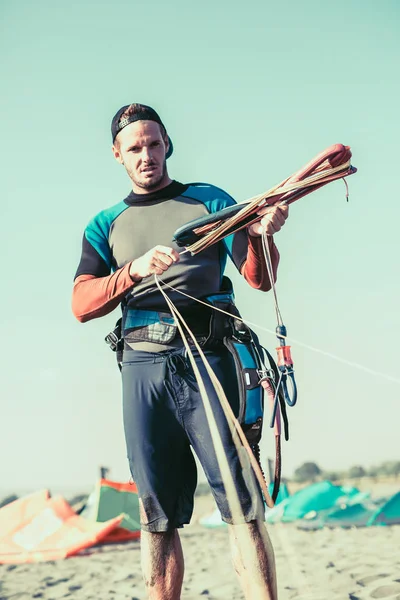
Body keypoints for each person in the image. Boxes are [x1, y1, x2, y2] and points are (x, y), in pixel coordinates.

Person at [72, 103, 288, 600]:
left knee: (242, 504)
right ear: (117, 155)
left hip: (210, 360)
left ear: (167, 143)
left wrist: (261, 236)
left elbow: (260, 278)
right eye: (134, 148)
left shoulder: (210, 200)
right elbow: (81, 304)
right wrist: (134, 271)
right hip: (143, 367)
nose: (146, 155)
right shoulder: (107, 223)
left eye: (153, 143)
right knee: (157, 515)